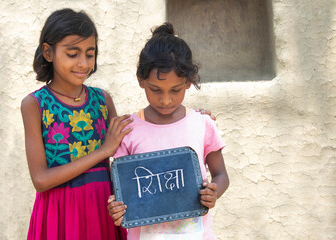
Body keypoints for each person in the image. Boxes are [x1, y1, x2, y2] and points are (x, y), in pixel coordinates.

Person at [107, 22, 229, 240]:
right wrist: (115, 207)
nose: (166, 100)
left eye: (175, 90)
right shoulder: (128, 131)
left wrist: (214, 192)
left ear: (189, 82)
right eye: (156, 90)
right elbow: (121, 191)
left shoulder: (202, 124)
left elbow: (220, 175)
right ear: (141, 81)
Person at [21, 8, 133, 240]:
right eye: (73, 54)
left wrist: (185, 116)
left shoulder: (103, 100)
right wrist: (103, 151)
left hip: (103, 210)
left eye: (89, 54)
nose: (83, 63)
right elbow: (40, 180)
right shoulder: (35, 105)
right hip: (59, 215)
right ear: (48, 52)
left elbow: (130, 144)